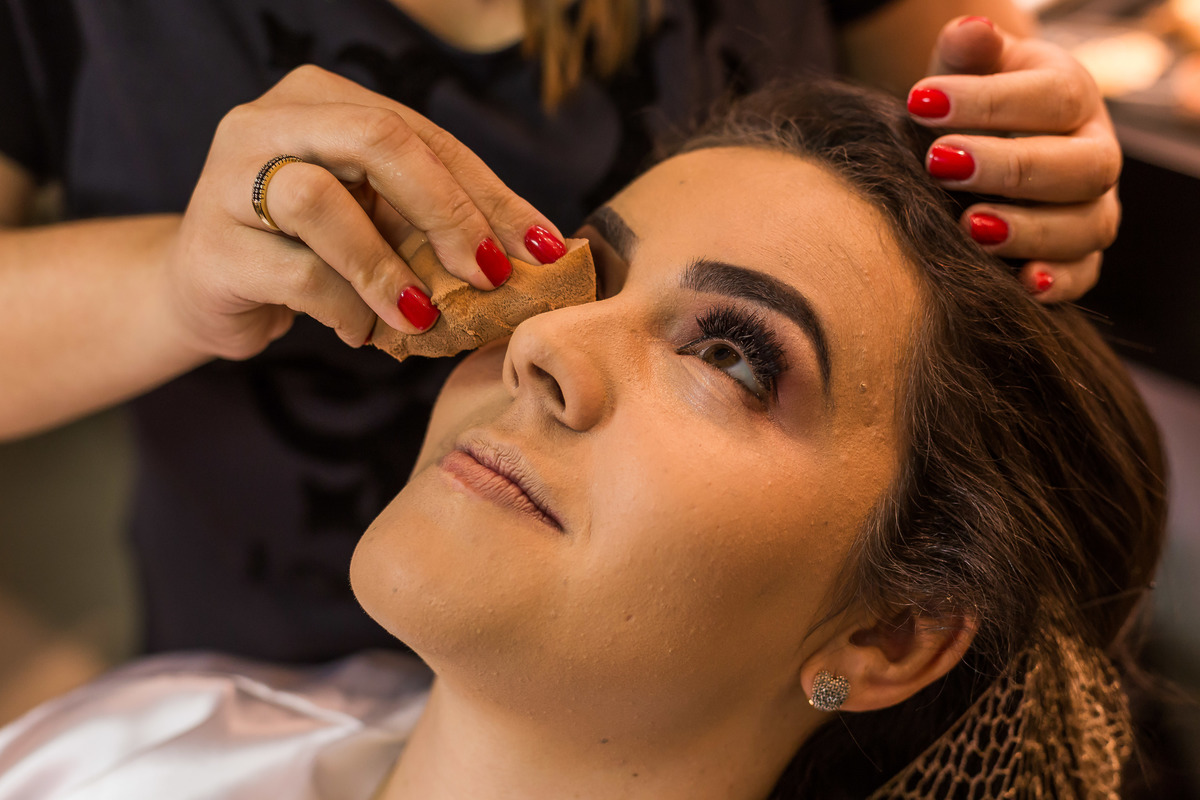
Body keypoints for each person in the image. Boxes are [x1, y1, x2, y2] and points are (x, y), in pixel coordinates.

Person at [0, 80, 1164, 800]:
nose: (540, 343)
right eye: (581, 276)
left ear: (889, 631)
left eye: (731, 355)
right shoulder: (128, 747)